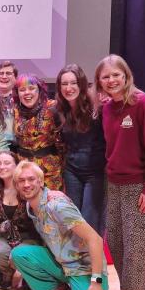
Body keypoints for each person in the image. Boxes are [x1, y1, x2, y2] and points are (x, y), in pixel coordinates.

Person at [96, 54, 145, 290]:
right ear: (99, 82)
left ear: (126, 75)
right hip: (114, 183)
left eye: (116, 74)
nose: (111, 80)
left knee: (137, 245)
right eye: (105, 76)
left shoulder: (143, 104)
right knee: (116, 242)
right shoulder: (107, 108)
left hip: (139, 186)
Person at [11, 161, 111, 290]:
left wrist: (97, 283)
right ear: (17, 185)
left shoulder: (56, 205)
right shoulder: (31, 206)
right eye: (21, 181)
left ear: (41, 181)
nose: (26, 184)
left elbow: (95, 239)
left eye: (31, 179)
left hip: (84, 268)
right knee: (18, 255)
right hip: (63, 265)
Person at [56, 64, 106, 234]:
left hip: (96, 172)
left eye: (73, 83)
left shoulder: (97, 107)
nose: (68, 88)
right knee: (74, 219)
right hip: (72, 172)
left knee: (90, 219)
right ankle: (78, 259)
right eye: (64, 84)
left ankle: (94, 260)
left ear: (81, 84)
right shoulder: (60, 109)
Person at [0, 151, 42, 289]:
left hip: (27, 237)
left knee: (20, 256)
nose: (2, 167)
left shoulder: (25, 185)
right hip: (3, 237)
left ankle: (24, 272)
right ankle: (7, 273)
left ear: (16, 165)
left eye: (7, 163)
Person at [13, 74, 63, 190]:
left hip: (49, 170)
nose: (27, 93)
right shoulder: (14, 111)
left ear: (39, 90)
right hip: (24, 170)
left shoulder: (53, 107)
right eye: (22, 90)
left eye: (31, 88)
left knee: (50, 205)